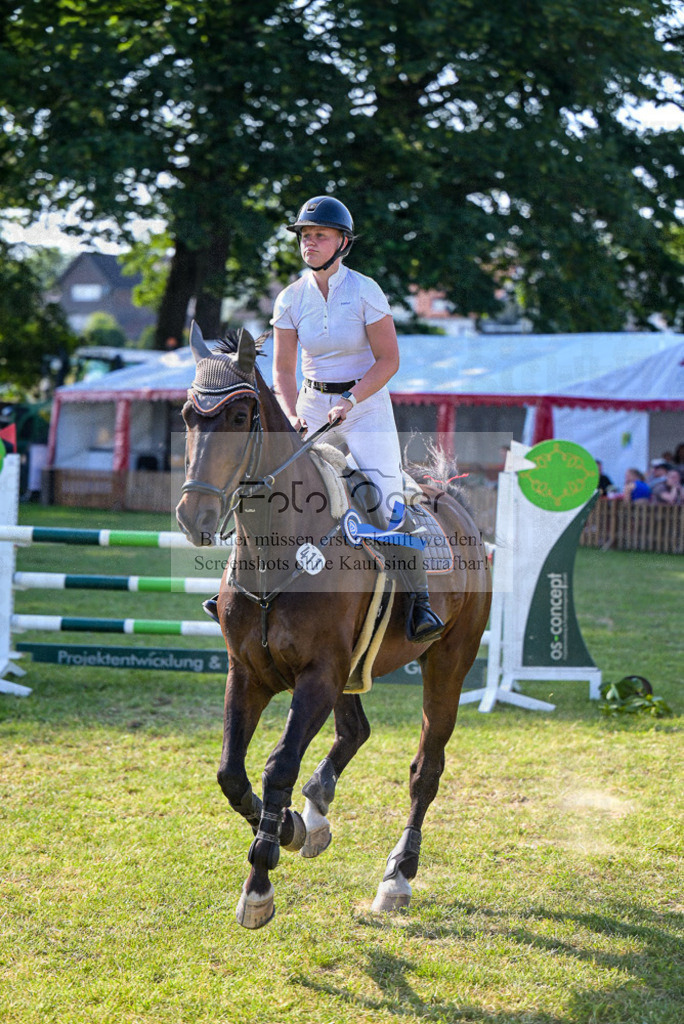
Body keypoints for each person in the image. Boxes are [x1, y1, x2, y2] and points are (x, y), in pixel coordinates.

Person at [271, 194, 444, 644]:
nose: (309, 243)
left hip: (364, 404)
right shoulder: (290, 298)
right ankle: (244, 589)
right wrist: (291, 414)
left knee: (387, 499)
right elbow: (282, 369)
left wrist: (350, 398)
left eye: (319, 236)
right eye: (305, 236)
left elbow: (389, 360)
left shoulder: (365, 290)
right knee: (269, 488)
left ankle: (420, 604)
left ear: (342, 242)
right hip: (309, 403)